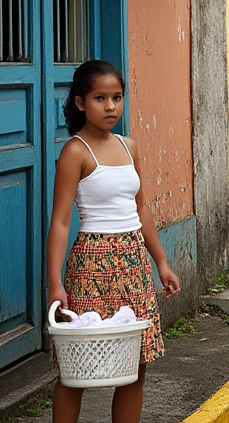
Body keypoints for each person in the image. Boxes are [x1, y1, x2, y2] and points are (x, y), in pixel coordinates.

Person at [48, 60, 181, 423]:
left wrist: (162, 263)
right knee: (77, 367)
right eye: (100, 98)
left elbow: (142, 210)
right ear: (80, 103)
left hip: (133, 263)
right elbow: (60, 221)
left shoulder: (129, 147)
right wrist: (55, 283)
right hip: (91, 264)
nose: (110, 107)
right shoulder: (75, 152)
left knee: (135, 365)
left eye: (117, 97)